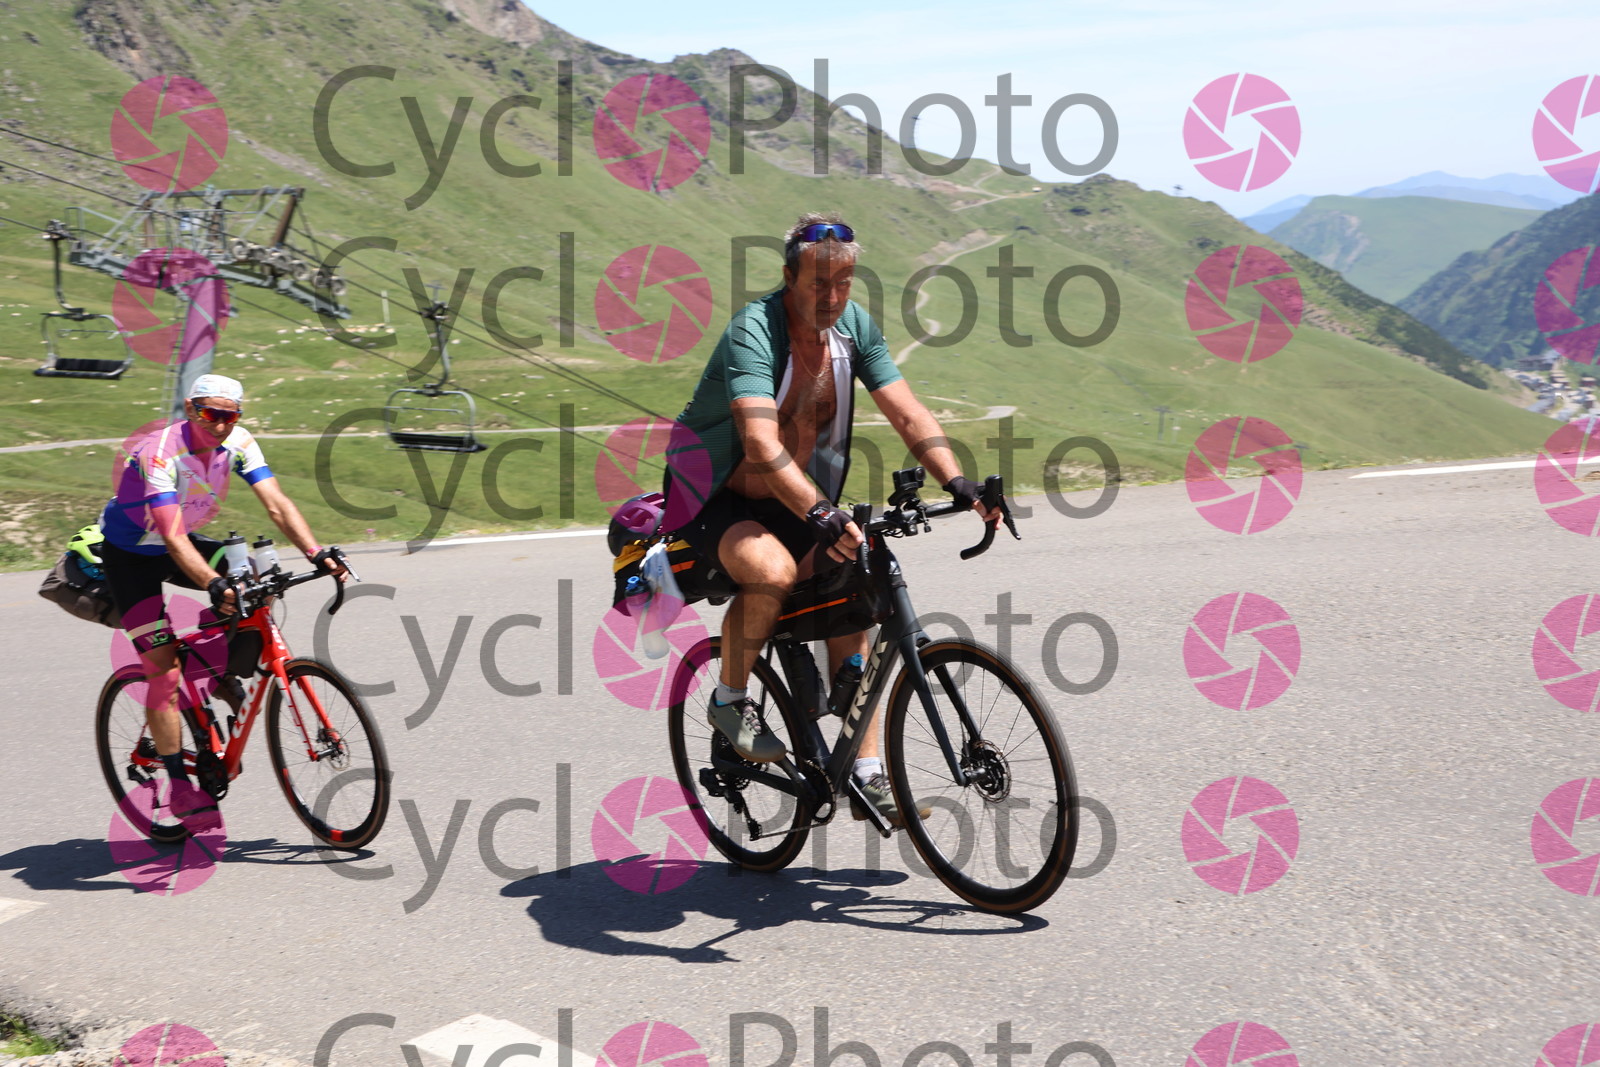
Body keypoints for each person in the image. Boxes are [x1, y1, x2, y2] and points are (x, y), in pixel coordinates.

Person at [673, 213, 999, 827]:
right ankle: (730, 699)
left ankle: (868, 772)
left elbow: (908, 413)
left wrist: (959, 481)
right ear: (788, 276)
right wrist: (821, 510)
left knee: (859, 571)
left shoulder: (854, 328)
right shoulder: (754, 331)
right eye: (818, 282)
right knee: (770, 571)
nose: (832, 296)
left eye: (844, 281)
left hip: (795, 498)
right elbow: (760, 442)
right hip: (716, 499)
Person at [99, 374, 345, 833]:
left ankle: (215, 671)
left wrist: (316, 553)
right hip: (133, 556)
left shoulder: (239, 442)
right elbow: (171, 536)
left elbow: (276, 503)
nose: (222, 424)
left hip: (181, 542)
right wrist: (213, 583)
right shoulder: (159, 452)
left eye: (231, 416)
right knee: (163, 671)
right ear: (191, 409)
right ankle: (179, 785)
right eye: (212, 414)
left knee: (255, 581)